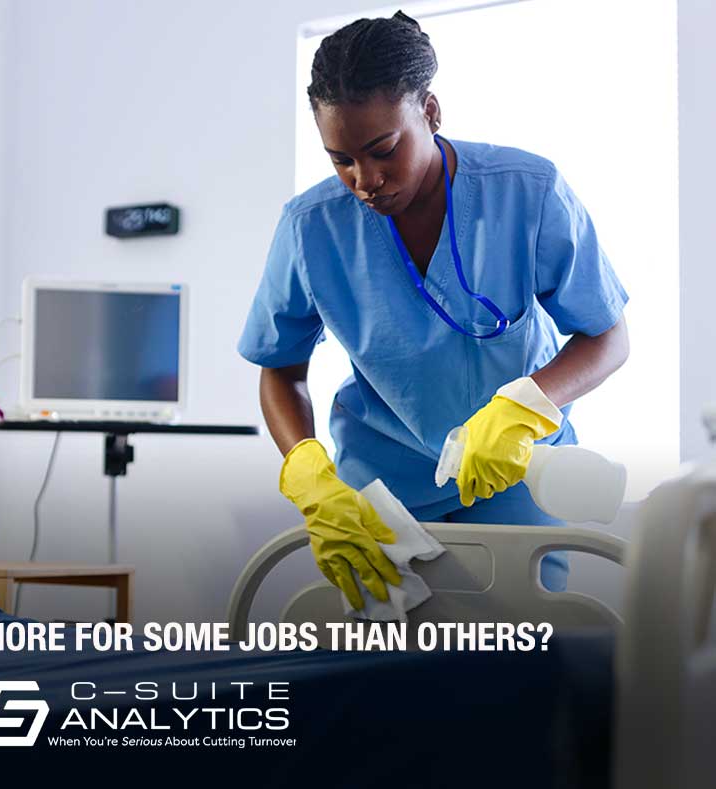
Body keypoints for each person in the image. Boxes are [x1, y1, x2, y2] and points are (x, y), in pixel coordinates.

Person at [237, 11, 629, 608]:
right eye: (340, 159)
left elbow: (607, 337)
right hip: (381, 486)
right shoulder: (310, 227)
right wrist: (309, 473)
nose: (364, 180)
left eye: (382, 150)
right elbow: (281, 368)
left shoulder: (527, 191)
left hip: (515, 474)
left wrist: (525, 407)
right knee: (387, 681)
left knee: (523, 665)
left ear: (431, 111)